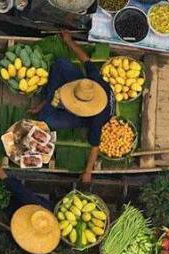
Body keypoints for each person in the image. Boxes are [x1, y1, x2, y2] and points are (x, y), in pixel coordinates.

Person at [31, 31, 114, 184]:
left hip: (86, 118)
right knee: (60, 63)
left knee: (45, 119)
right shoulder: (94, 83)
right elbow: (85, 60)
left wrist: (88, 172)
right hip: (84, 91)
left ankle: (49, 101)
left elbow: (95, 146)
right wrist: (68, 41)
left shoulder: (97, 120)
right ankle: (49, 98)